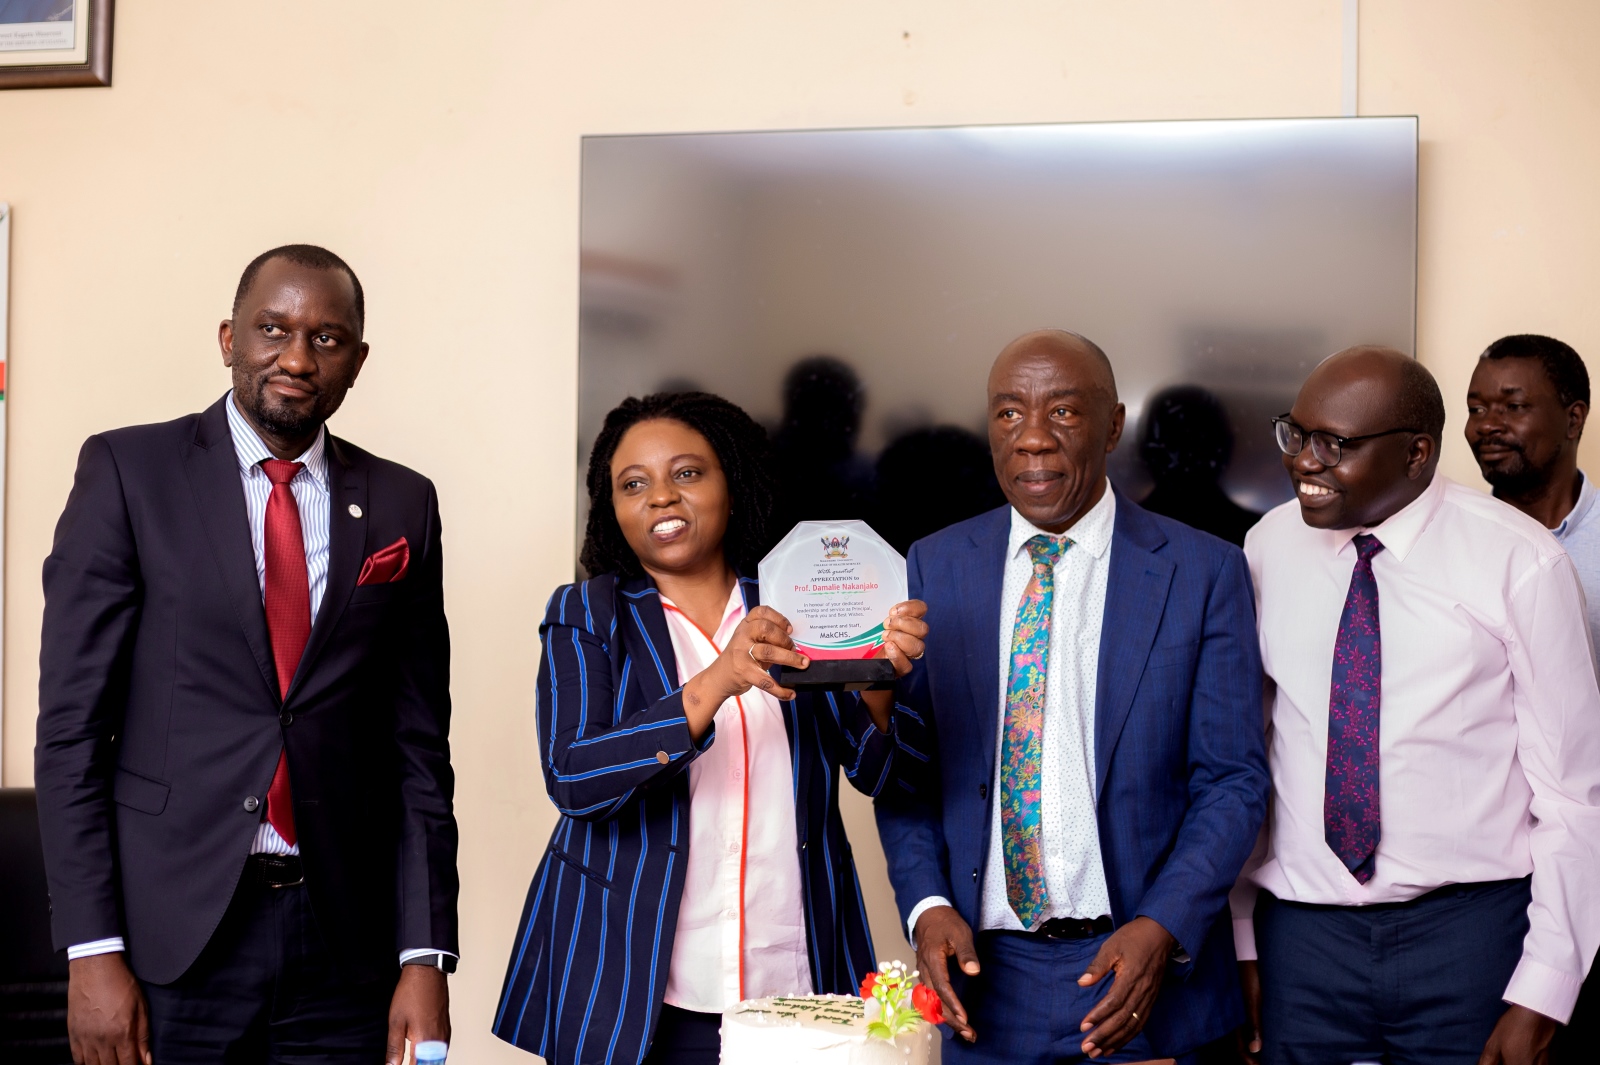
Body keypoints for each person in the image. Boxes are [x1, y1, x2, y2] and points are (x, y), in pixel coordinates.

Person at [34, 245, 458, 1064]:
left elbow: (417, 751)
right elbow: (71, 733)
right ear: (229, 337)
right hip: (171, 941)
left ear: (357, 362)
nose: (297, 358)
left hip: (344, 944)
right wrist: (92, 948)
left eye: (327, 338)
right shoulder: (128, 472)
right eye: (273, 328)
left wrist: (424, 954)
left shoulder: (405, 501)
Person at [492, 391, 929, 1065]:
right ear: (613, 507)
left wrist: (877, 678)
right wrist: (721, 677)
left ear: (732, 479)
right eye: (633, 484)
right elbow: (576, 777)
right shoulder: (589, 612)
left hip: (795, 984)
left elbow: (878, 773)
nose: (661, 497)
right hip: (639, 991)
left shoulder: (799, 601)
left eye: (687, 473)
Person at [874, 329, 1270, 1063]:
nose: (1031, 440)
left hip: (1145, 974)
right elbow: (908, 771)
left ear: (1114, 423)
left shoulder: (1203, 570)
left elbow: (1234, 780)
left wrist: (1163, 925)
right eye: (1007, 414)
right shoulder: (935, 564)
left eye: (1062, 413)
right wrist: (926, 906)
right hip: (988, 984)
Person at [1233, 345, 1600, 1064]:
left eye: (1332, 444)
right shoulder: (1267, 546)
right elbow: (1256, 754)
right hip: (1303, 942)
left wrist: (1545, 988)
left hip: (1469, 937)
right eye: (1295, 433)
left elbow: (1573, 795)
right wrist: (1245, 938)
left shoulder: (1521, 562)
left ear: (1416, 454)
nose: (1303, 462)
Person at [1463, 333, 1600, 1056]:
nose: (1487, 424)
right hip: (1492, 886)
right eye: (1476, 406)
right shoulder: (1448, 549)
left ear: (1575, 417)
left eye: (1511, 406)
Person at [1137, 384, 1262, 547]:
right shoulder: (1258, 534)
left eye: (1193, 445)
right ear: (1225, 448)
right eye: (1175, 443)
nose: (1183, 458)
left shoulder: (1119, 531)